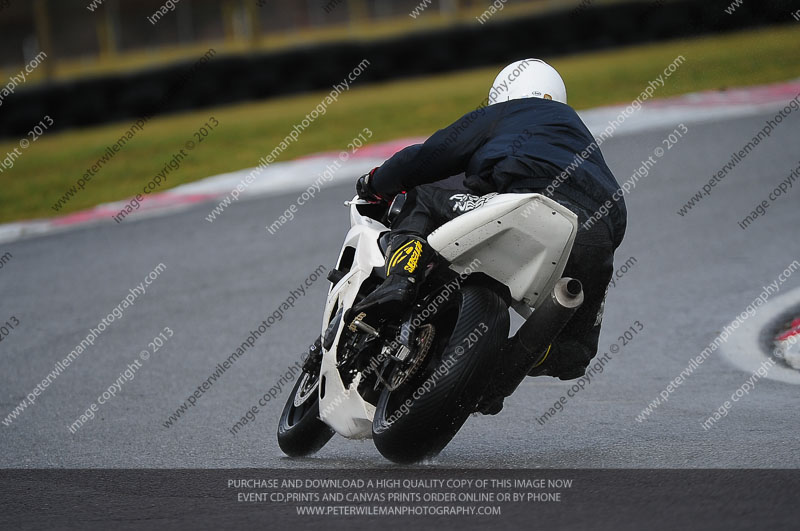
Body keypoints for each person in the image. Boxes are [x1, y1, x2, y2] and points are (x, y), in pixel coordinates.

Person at [351, 58, 627, 399]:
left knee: (421, 193)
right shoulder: (580, 136)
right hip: (595, 233)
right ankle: (501, 372)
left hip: (526, 200)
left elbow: (427, 157)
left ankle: (400, 280)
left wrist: (375, 183)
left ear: (504, 94)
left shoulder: (509, 112)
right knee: (576, 353)